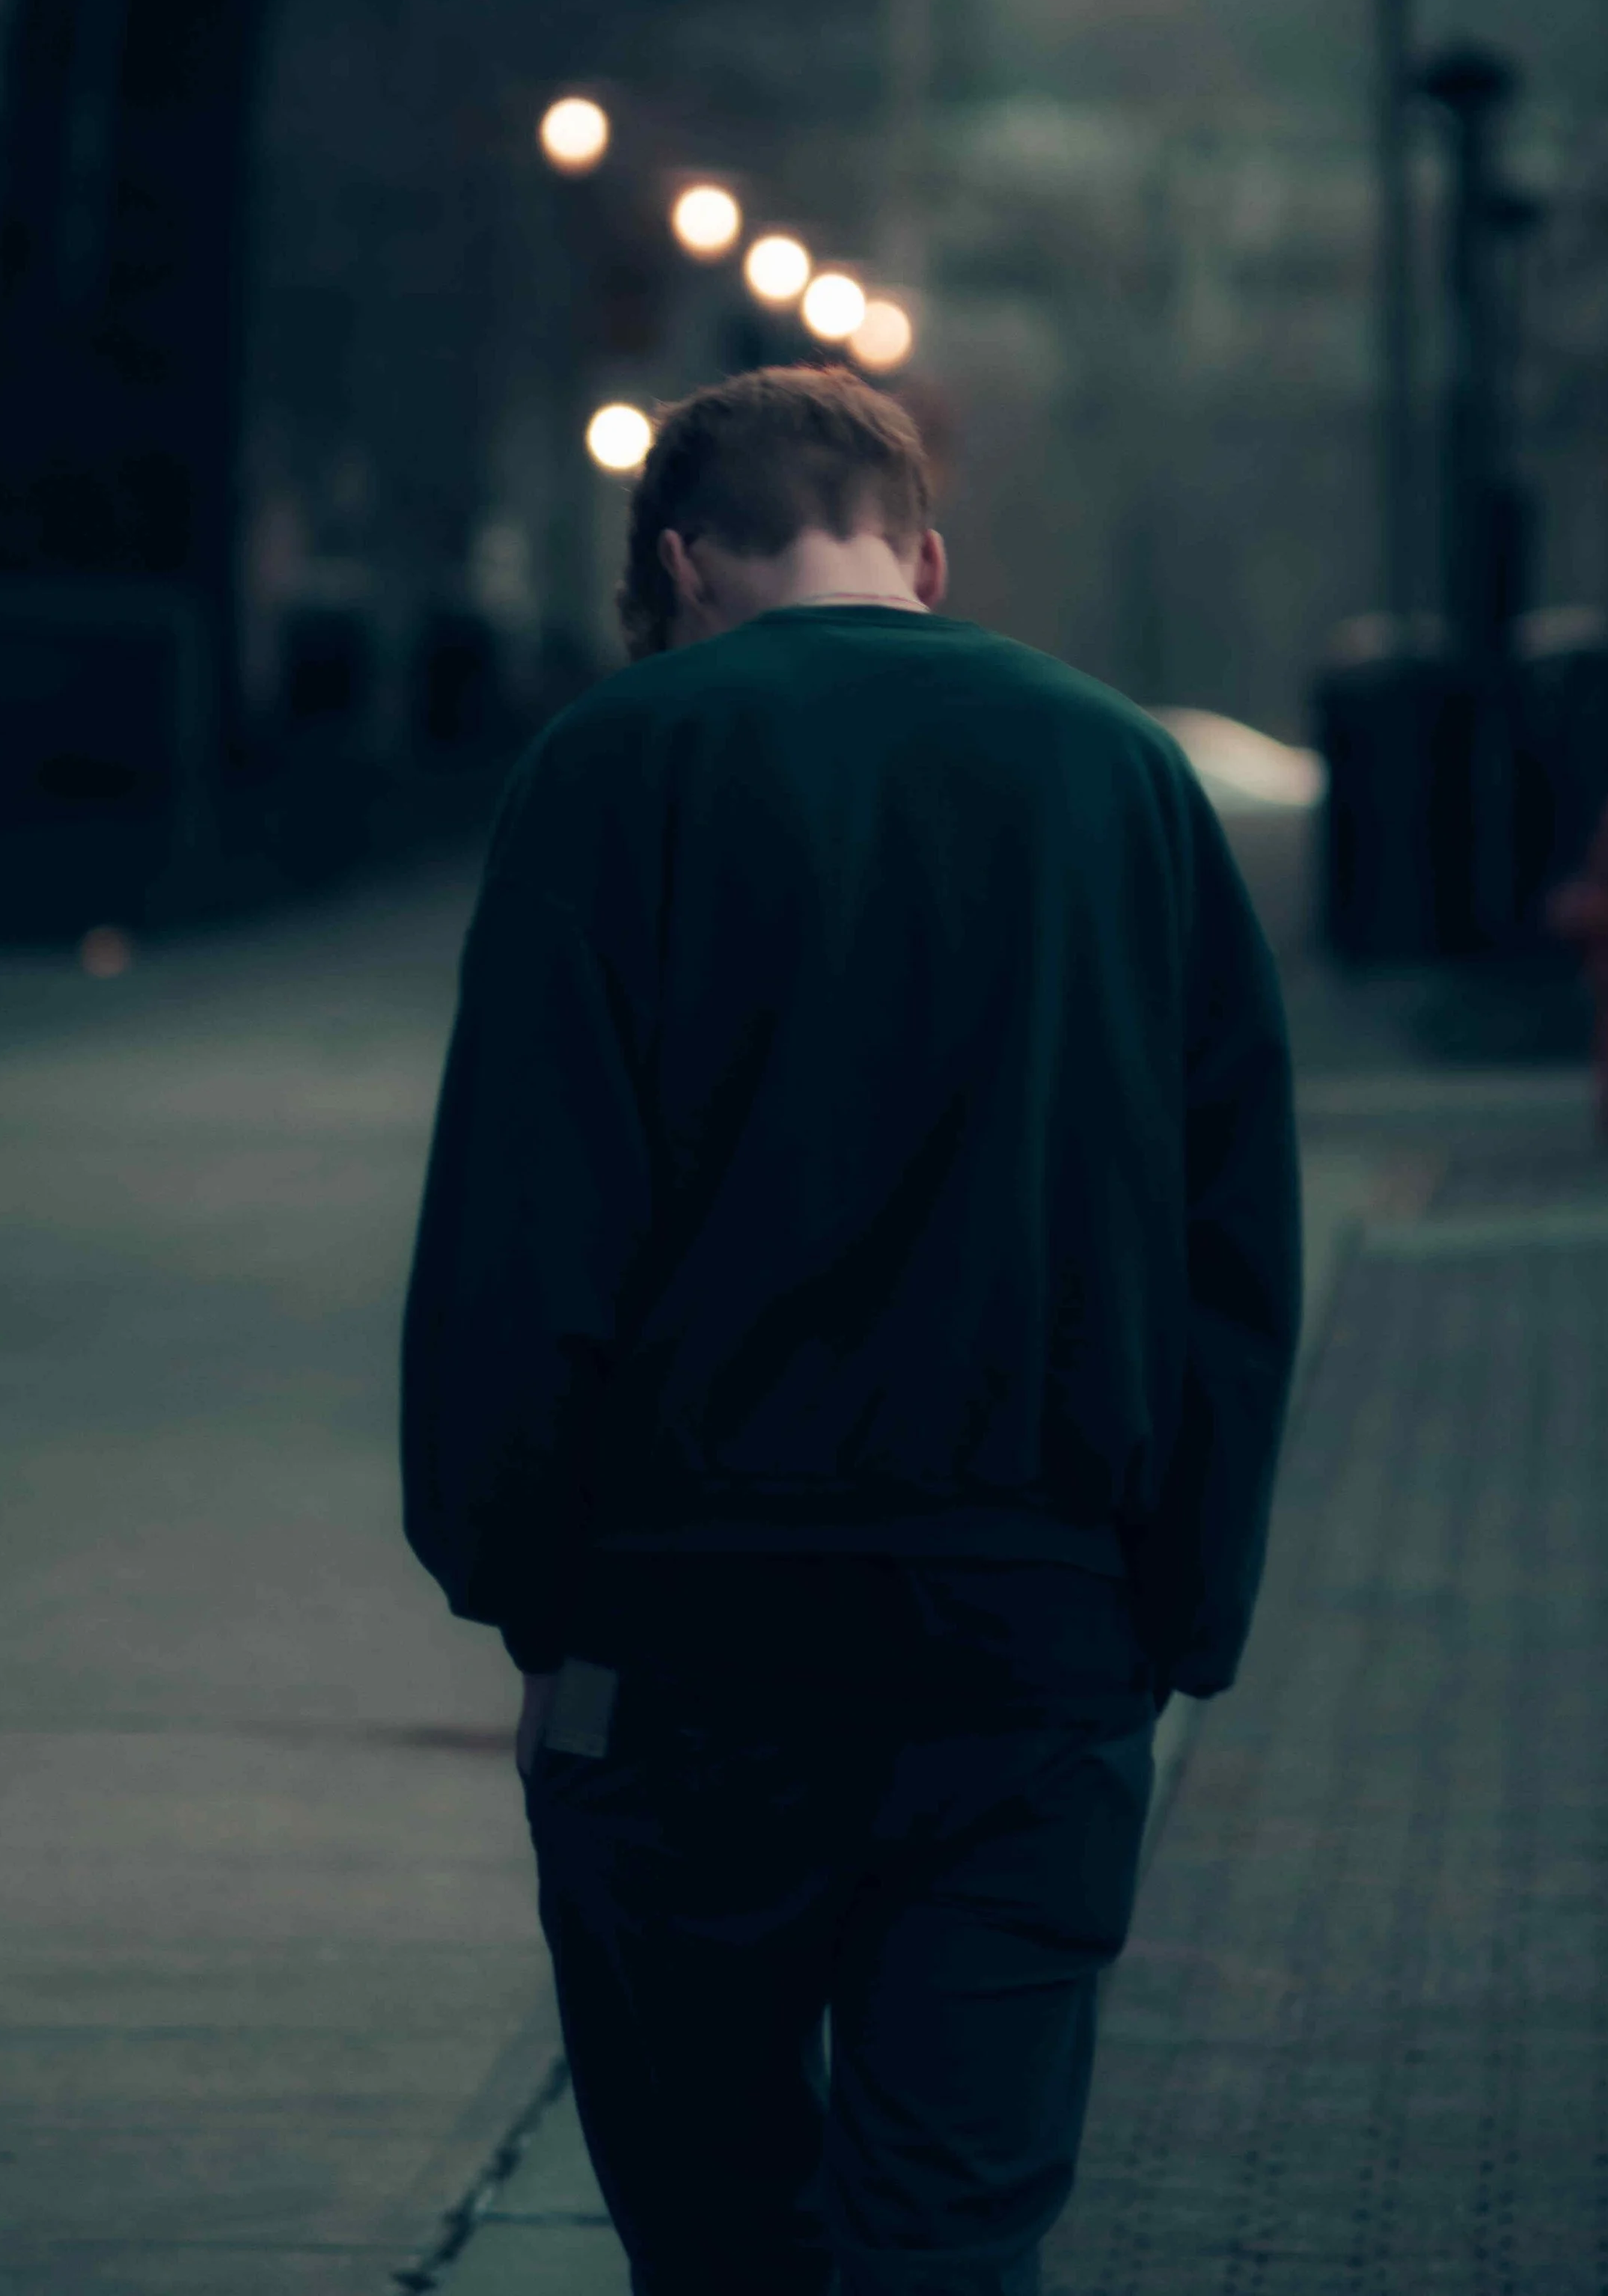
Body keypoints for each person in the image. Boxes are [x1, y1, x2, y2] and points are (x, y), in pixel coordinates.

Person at [400, 364, 1301, 2296]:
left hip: (684, 1635)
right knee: (952, 2224)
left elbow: (520, 1229)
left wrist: (521, 1589)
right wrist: (1178, 1607)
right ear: (925, 551)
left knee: (717, 2225)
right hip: (1032, 1630)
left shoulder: (611, 769)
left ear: (674, 565)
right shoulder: (1120, 773)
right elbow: (1231, 1233)